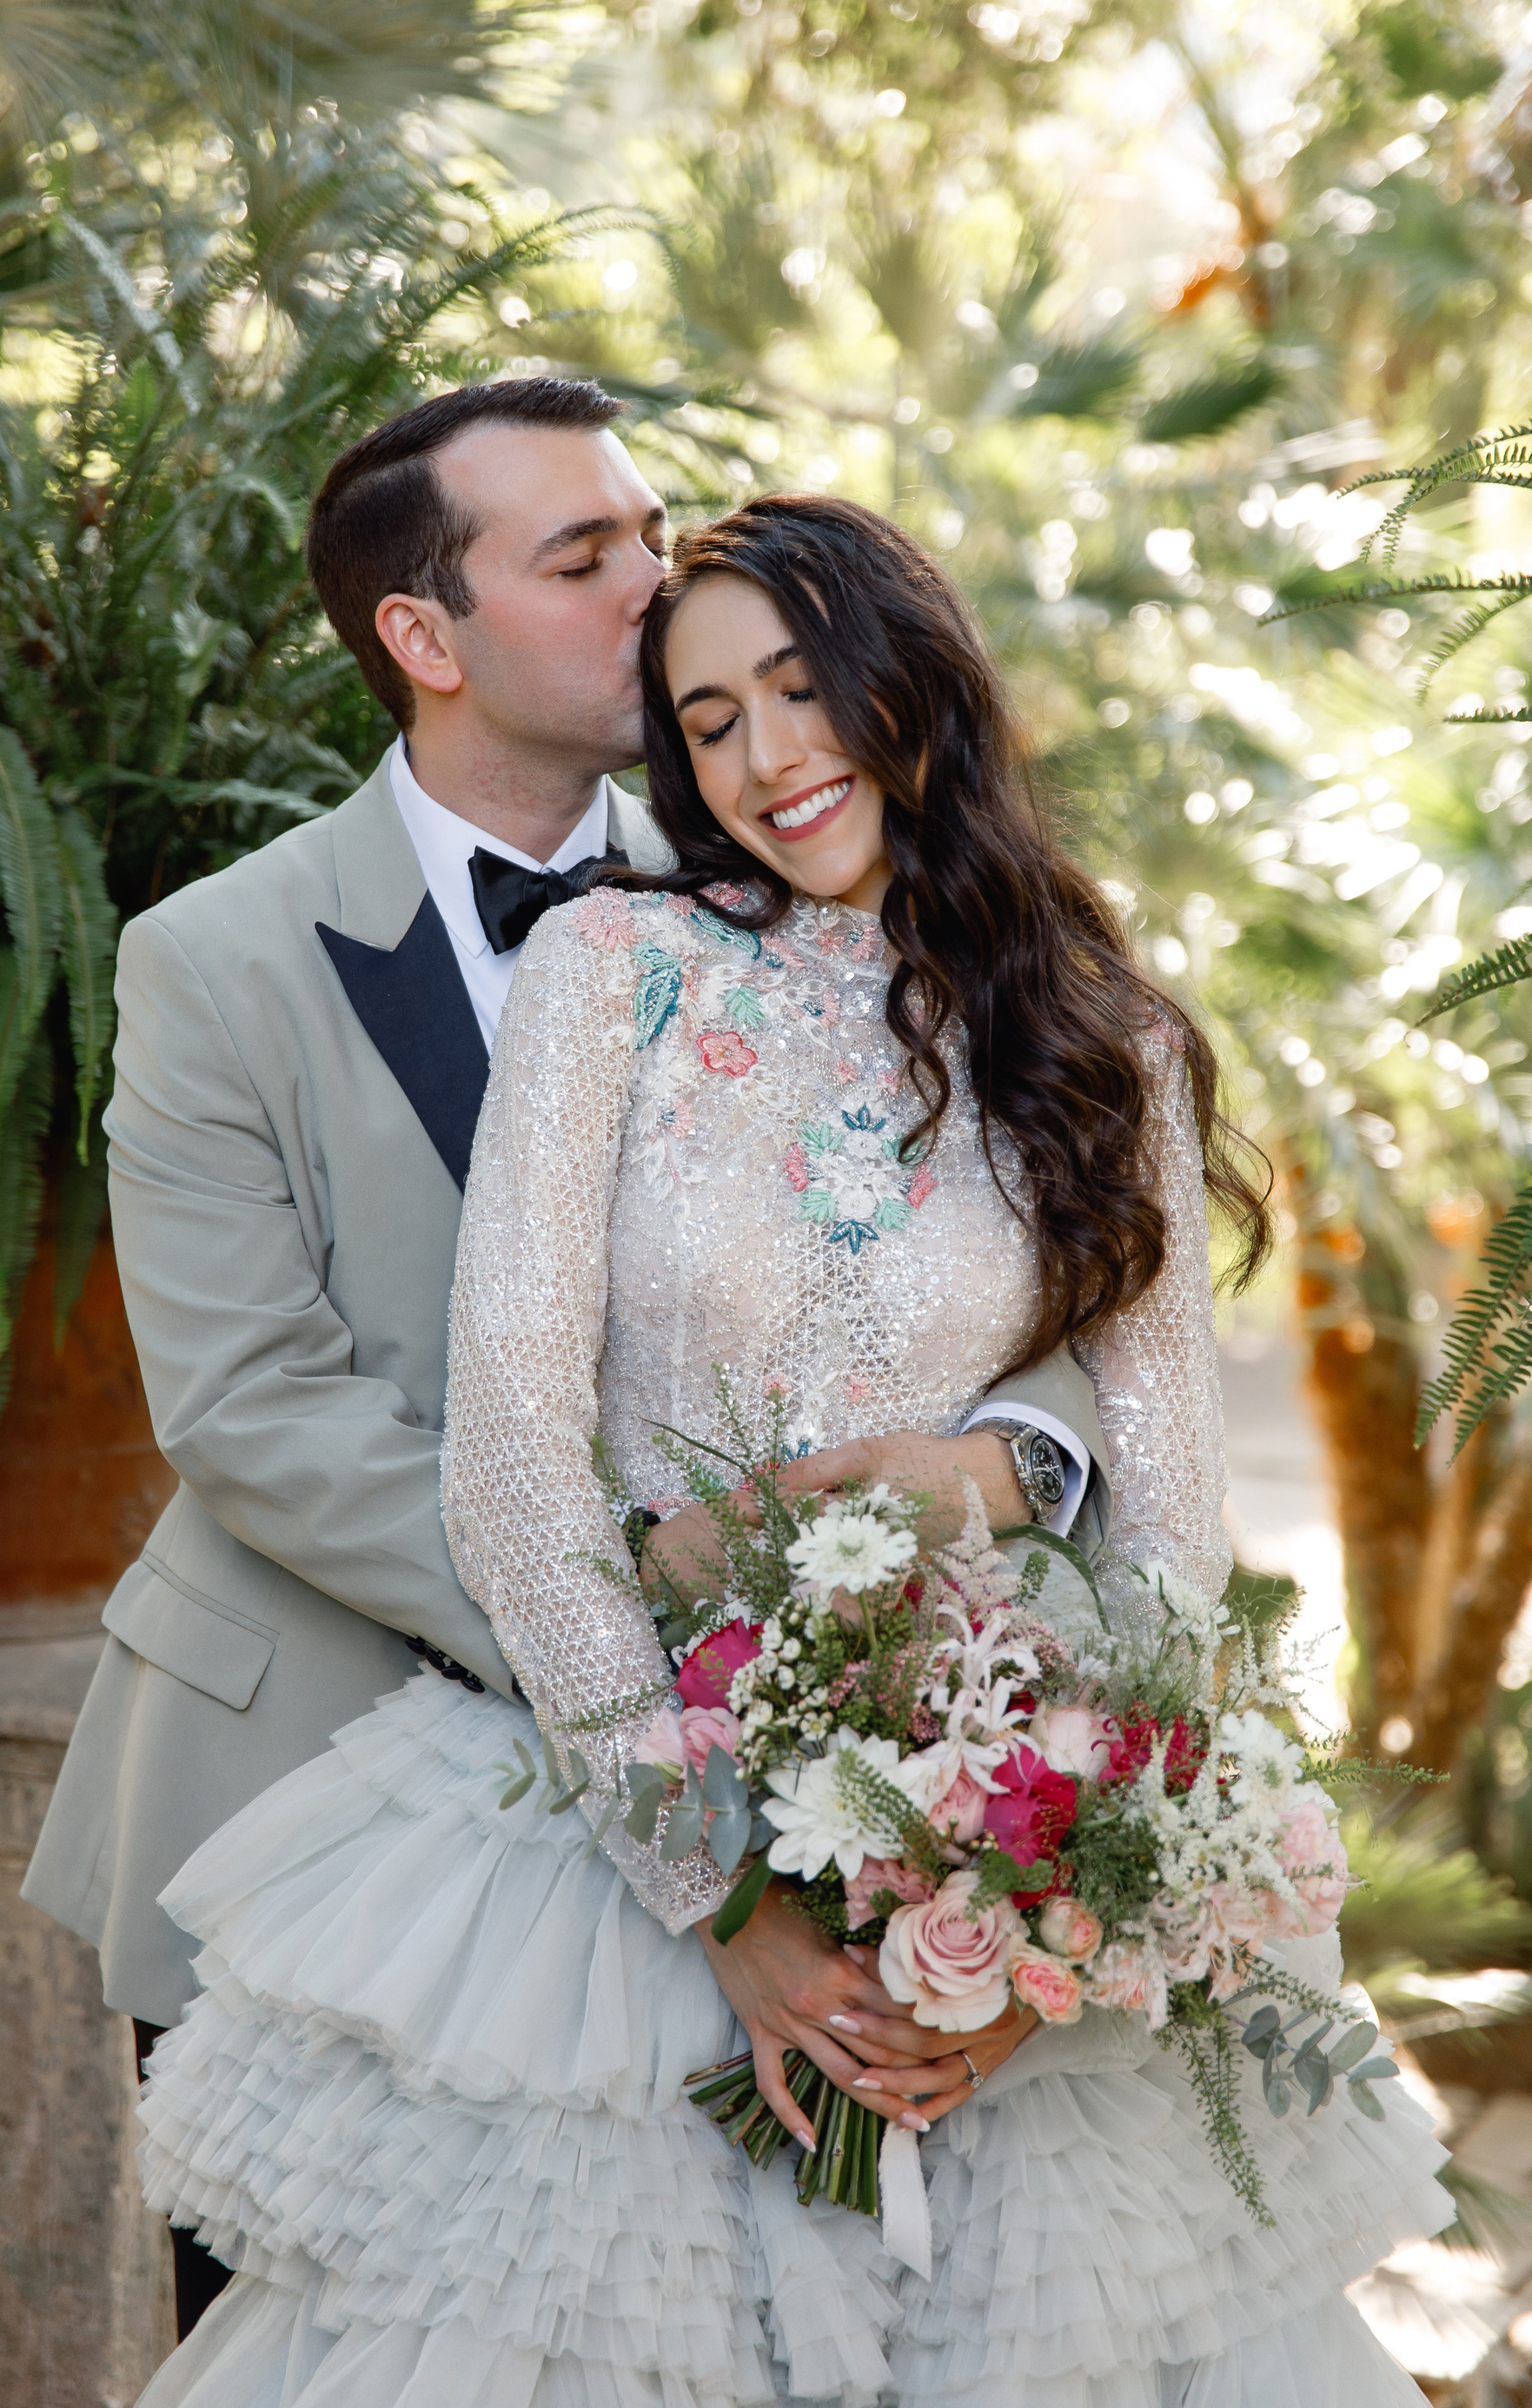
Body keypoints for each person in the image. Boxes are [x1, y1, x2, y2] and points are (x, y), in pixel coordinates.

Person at [126, 491, 1452, 2405]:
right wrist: (724, 1904)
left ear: (910, 675)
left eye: (801, 685)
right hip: (621, 1838)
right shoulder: (617, 969)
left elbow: (1170, 1521)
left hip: (1000, 1824)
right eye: (712, 719)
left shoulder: (1110, 1038)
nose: (768, 756)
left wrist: (1039, 1951)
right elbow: (513, 1459)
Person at [21, 384, 1100, 2340]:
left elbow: (1033, 1269)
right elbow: (254, 1404)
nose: (656, 584)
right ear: (423, 637)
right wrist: (642, 1599)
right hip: (308, 1784)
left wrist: (994, 1471)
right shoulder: (215, 960)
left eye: (654, 532)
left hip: (778, 1780)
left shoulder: (805, 873)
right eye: (584, 554)